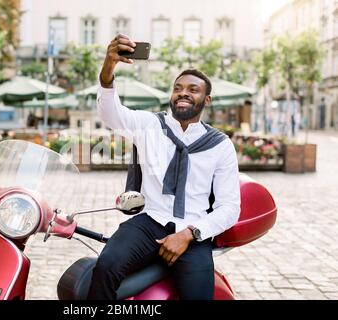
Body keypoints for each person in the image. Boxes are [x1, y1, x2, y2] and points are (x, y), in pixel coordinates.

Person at [87, 34, 241, 300]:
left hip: (193, 231)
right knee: (105, 267)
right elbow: (110, 113)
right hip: (148, 222)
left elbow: (230, 207)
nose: (183, 93)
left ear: (207, 100)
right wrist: (108, 66)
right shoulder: (149, 125)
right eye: (178, 88)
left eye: (193, 90)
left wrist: (190, 234)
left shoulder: (220, 144)